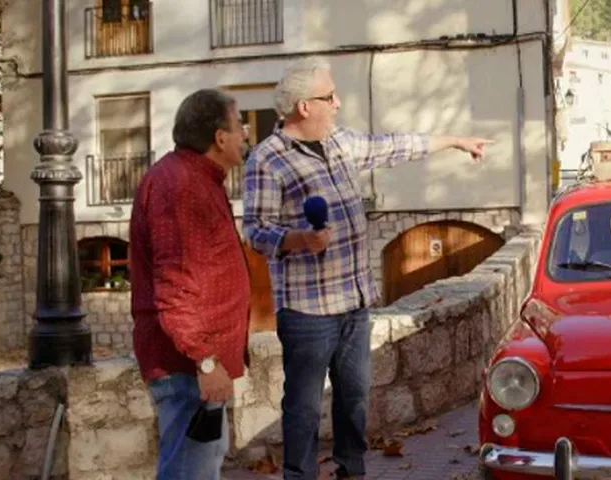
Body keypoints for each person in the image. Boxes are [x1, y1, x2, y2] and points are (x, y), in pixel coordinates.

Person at [243, 57, 492, 480]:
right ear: (305, 106)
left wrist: (456, 140)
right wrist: (298, 239)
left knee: (354, 398)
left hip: (355, 303)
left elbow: (394, 145)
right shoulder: (267, 160)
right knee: (302, 407)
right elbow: (255, 231)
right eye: (329, 96)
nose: (338, 103)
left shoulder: (339, 142)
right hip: (307, 311)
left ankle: (351, 471)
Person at [130, 88, 251, 480]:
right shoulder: (180, 185)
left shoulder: (194, 179)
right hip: (186, 368)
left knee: (200, 467)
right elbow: (174, 286)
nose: (246, 134)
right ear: (220, 137)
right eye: (240, 126)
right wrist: (206, 359)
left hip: (193, 367)